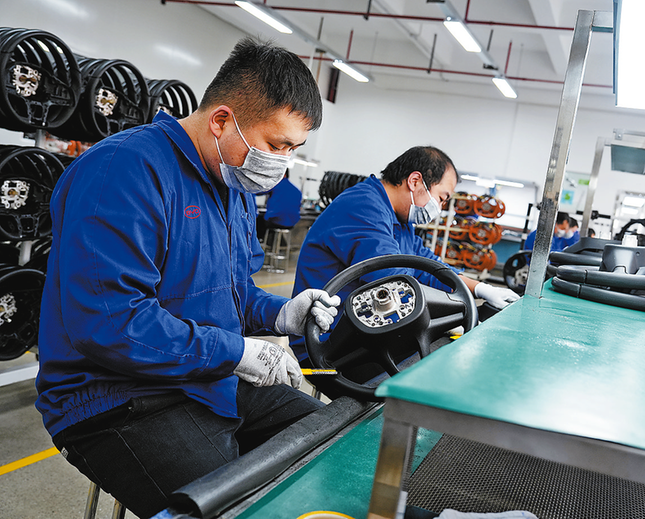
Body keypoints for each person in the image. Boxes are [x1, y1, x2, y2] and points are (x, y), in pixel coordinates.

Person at [35, 38, 339, 518]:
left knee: (338, 452)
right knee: (238, 508)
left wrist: (280, 312)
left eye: (293, 150)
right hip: (116, 397)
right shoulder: (125, 170)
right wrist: (235, 352)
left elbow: (233, 292)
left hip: (205, 377)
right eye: (276, 145)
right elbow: (110, 324)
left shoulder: (233, 184)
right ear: (221, 120)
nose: (282, 164)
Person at [291, 146, 520, 365]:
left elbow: (426, 265)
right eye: (441, 198)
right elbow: (393, 281)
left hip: (367, 328)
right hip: (330, 343)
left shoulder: (400, 219)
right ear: (415, 181)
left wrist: (480, 289)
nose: (440, 207)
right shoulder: (362, 207)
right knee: (446, 363)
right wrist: (453, 315)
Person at [256, 168, 302, 240]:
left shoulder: (276, 184)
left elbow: (256, 191)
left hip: (275, 220)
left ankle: (259, 242)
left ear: (283, 174)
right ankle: (274, 244)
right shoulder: (297, 190)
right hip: (292, 223)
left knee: (258, 220)